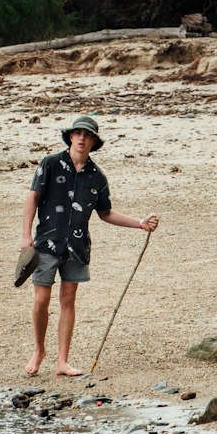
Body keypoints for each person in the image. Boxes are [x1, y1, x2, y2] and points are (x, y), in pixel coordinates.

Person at [21, 113, 158, 376]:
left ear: (94, 141)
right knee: (41, 300)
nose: (82, 138)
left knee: (68, 299)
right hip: (46, 242)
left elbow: (105, 213)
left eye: (88, 135)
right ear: (71, 136)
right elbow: (32, 198)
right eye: (78, 133)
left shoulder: (97, 176)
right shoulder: (50, 163)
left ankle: (62, 362)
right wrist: (25, 236)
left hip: (78, 247)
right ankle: (39, 350)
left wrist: (139, 223)